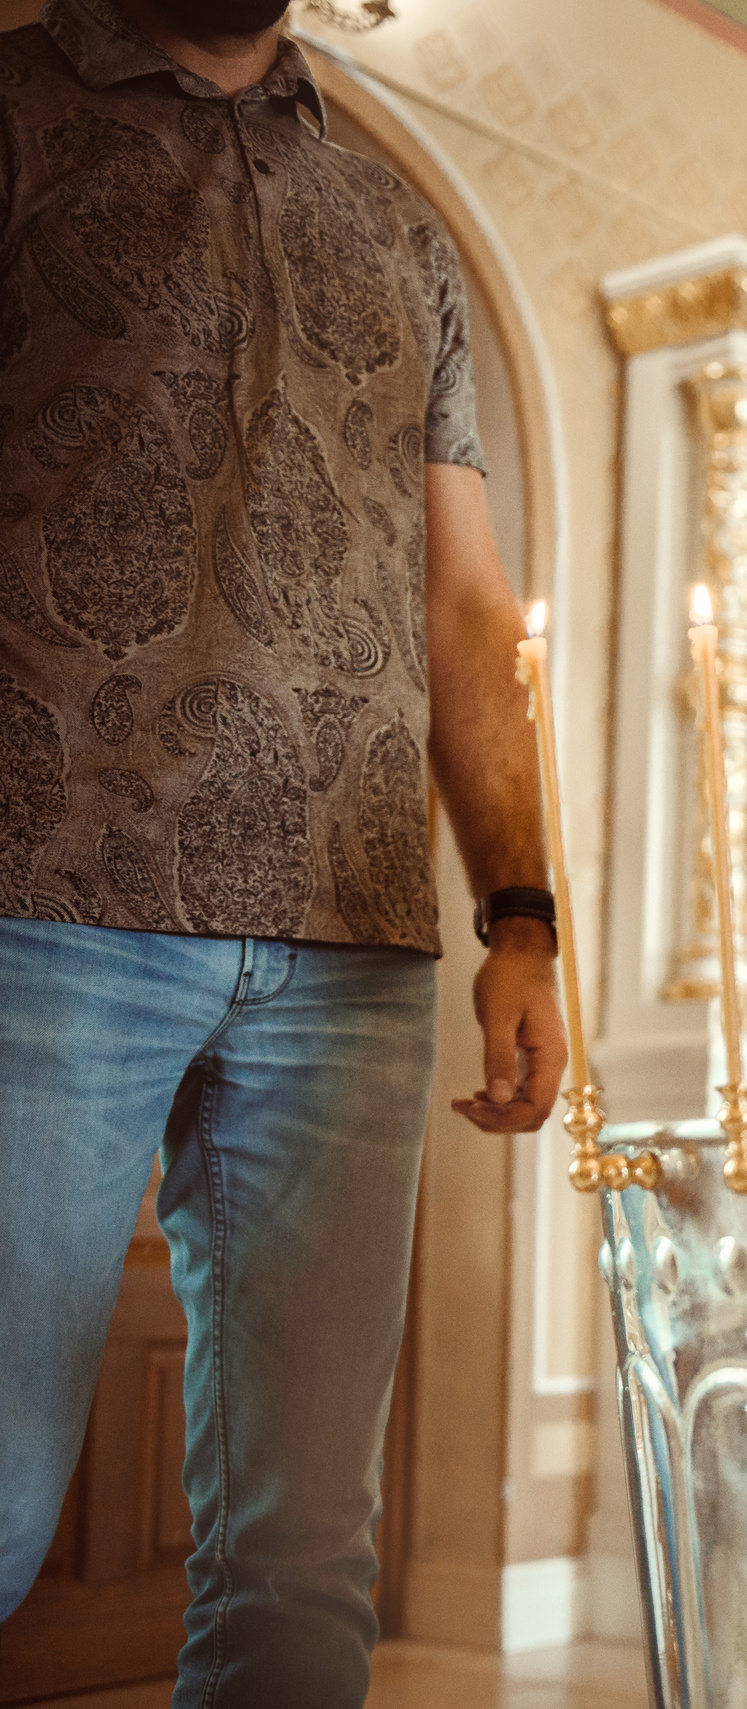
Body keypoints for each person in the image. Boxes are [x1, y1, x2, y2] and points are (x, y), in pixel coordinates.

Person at [0, 0, 566, 1700]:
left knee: (302, 1563)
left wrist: (523, 913)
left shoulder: (395, 220)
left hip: (355, 940)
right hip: (44, 899)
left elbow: (466, 606)